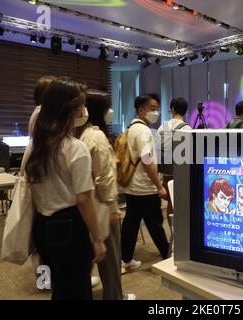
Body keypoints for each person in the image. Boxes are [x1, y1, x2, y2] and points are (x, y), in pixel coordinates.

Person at [25, 77, 106, 300]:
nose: (84, 109)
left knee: (61, 286)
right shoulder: (75, 148)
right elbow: (84, 199)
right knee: (77, 290)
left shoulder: (37, 144)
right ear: (70, 108)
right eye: (81, 104)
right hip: (70, 227)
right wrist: (98, 239)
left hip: (42, 226)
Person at [75, 90, 135, 300]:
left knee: (102, 259)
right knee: (111, 261)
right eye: (107, 106)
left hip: (89, 205)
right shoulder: (97, 136)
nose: (111, 111)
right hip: (102, 206)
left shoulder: (81, 134)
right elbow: (105, 177)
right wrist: (113, 208)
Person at [121, 95, 169, 273]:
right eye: (153, 108)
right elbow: (147, 159)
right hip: (144, 186)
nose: (156, 112)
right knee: (155, 223)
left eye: (157, 108)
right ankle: (167, 256)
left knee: (131, 224)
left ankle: (125, 260)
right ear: (141, 110)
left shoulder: (132, 128)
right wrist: (159, 185)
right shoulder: (143, 131)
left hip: (132, 186)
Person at [157, 97, 191, 221]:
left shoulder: (162, 127)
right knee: (182, 204)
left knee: (171, 203)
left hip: (166, 172)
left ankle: (172, 230)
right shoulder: (187, 129)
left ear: (172, 109)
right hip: (181, 173)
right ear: (185, 111)